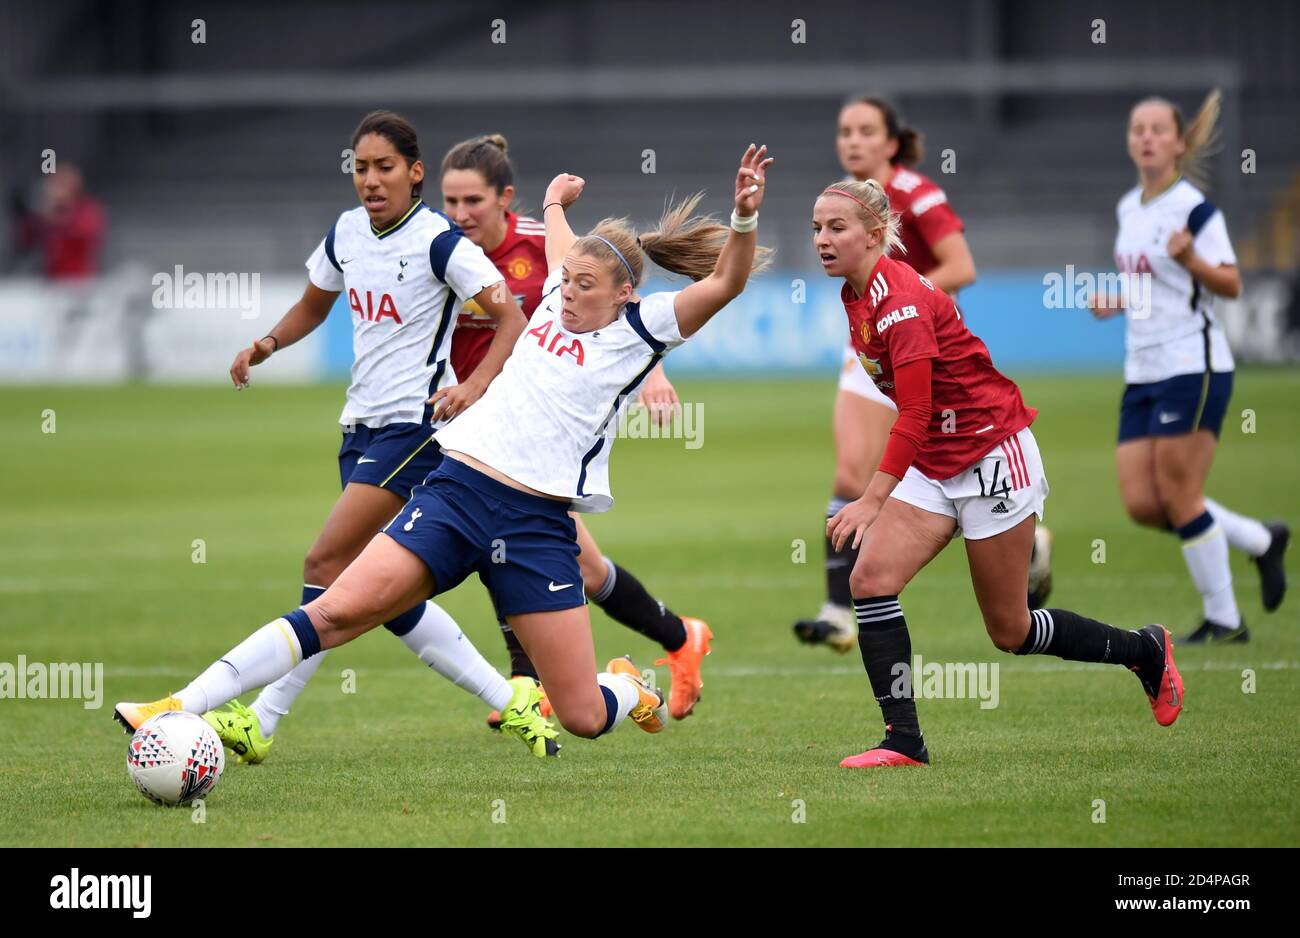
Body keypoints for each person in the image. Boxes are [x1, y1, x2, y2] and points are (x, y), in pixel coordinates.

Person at [114, 144, 774, 757]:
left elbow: (726, 285)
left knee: (582, 717)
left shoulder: (643, 328)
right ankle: (179, 705)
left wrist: (743, 216)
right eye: (565, 280)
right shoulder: (554, 292)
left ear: (624, 293)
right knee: (337, 606)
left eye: (585, 287)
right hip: (456, 492)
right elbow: (568, 244)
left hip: (537, 526)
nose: (568, 293)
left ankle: (629, 684)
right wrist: (553, 205)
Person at [207, 110, 553, 761]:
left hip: (415, 429)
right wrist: (267, 342)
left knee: (324, 565)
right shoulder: (346, 233)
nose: (370, 179)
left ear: (414, 172)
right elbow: (317, 300)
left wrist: (472, 389)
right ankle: (514, 703)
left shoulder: (439, 241)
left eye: (384, 167)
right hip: (359, 428)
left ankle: (262, 719)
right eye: (361, 167)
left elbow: (508, 314)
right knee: (385, 601)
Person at [814, 179, 1182, 769]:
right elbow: (918, 418)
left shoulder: (899, 301)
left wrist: (870, 499)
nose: (822, 240)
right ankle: (903, 740)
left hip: (991, 457)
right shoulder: (856, 295)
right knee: (870, 580)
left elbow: (914, 410)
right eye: (817, 228)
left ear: (876, 234)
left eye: (837, 228)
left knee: (1009, 630)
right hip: (935, 464)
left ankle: (1145, 650)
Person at [439, 134, 712, 725]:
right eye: (450, 201)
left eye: (472, 202)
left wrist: (655, 373)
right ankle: (677, 635)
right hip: (474, 430)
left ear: (504, 201)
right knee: (581, 569)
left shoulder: (542, 249)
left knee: (516, 549)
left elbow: (618, 326)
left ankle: (528, 679)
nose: (460, 214)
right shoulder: (439, 250)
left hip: (535, 441)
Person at [792, 96, 1054, 653]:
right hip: (873, 344)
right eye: (845, 131)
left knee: (900, 456)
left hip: (918, 343)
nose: (853, 141)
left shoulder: (916, 195)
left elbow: (962, 266)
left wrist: (902, 298)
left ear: (892, 142)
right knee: (849, 475)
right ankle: (840, 609)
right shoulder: (843, 200)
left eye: (866, 131)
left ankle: (1025, 537)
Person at [1091, 90, 1288, 644]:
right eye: (1138, 129)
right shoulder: (1129, 207)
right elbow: (1146, 282)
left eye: (1158, 129)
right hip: (1142, 368)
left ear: (1179, 143)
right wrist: (1117, 298)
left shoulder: (1195, 209)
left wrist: (1189, 259)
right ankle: (1259, 540)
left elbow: (1230, 282)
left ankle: (1225, 620)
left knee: (1179, 494)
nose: (1147, 137)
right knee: (1144, 503)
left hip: (1191, 363)